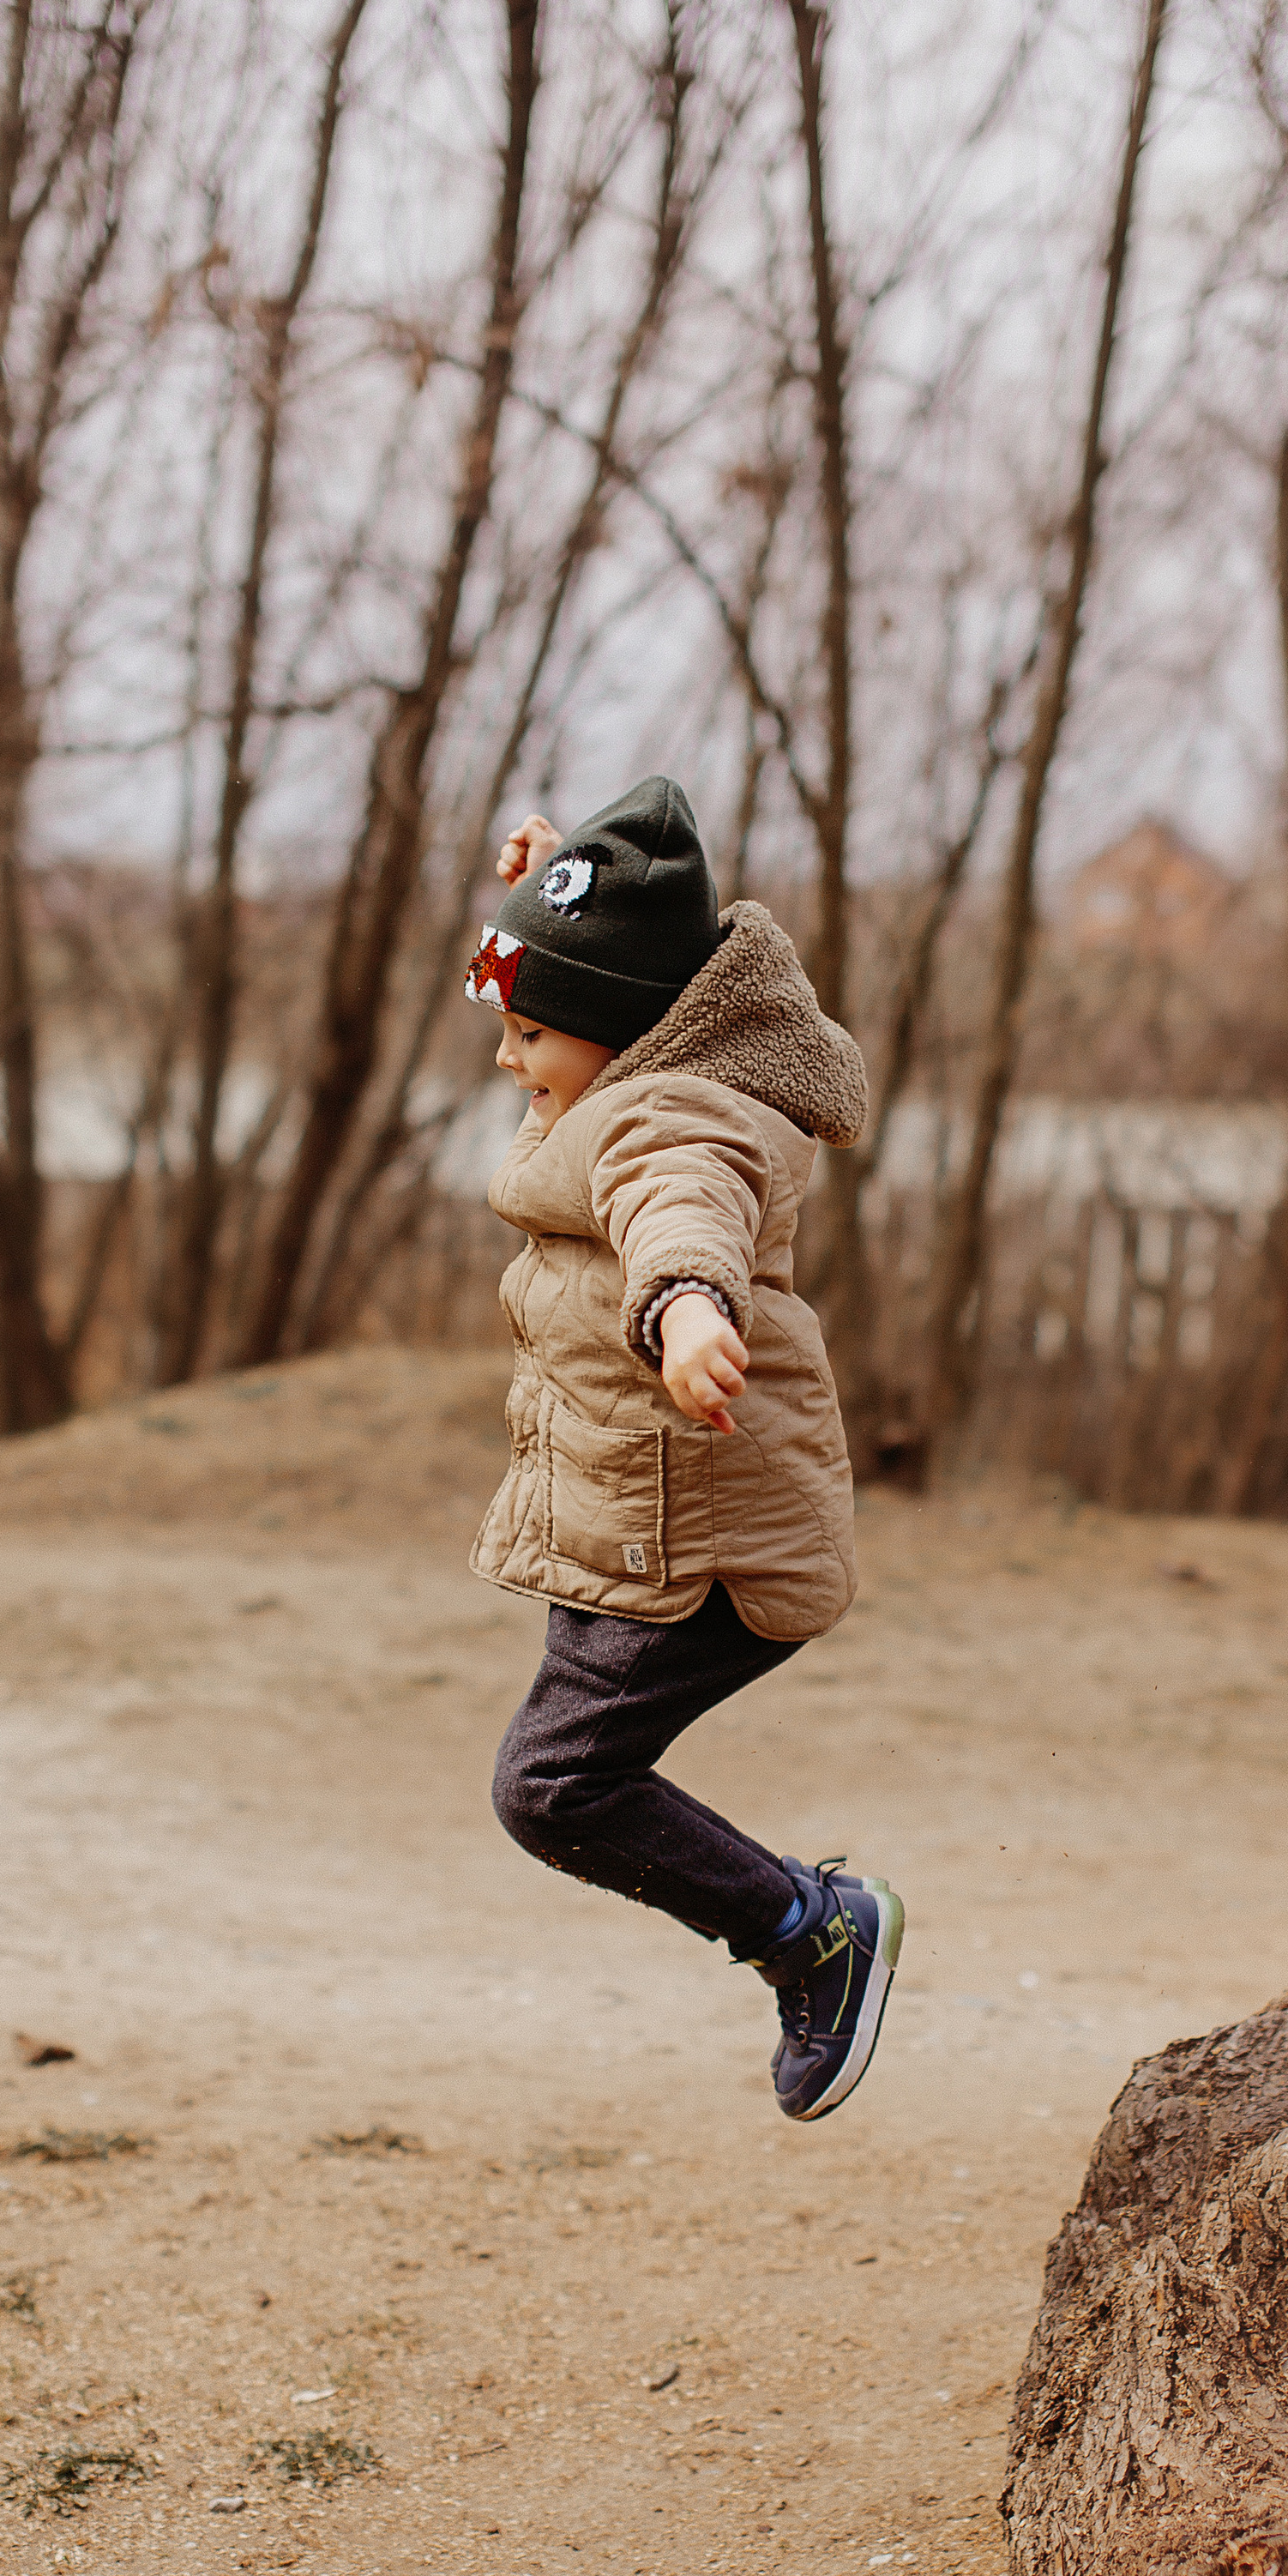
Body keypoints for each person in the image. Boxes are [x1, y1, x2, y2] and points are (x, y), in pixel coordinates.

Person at [464, 772, 903, 2121]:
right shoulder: (651, 1052)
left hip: (698, 1539)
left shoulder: (670, 1119)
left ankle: (811, 1931)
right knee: (560, 1778)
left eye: (531, 1034)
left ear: (619, 1034)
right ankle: (806, 1926)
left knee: (554, 1788)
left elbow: (681, 1212)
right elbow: (630, 965)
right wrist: (563, 874)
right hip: (644, 1517)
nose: (506, 1061)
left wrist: (688, 1308)